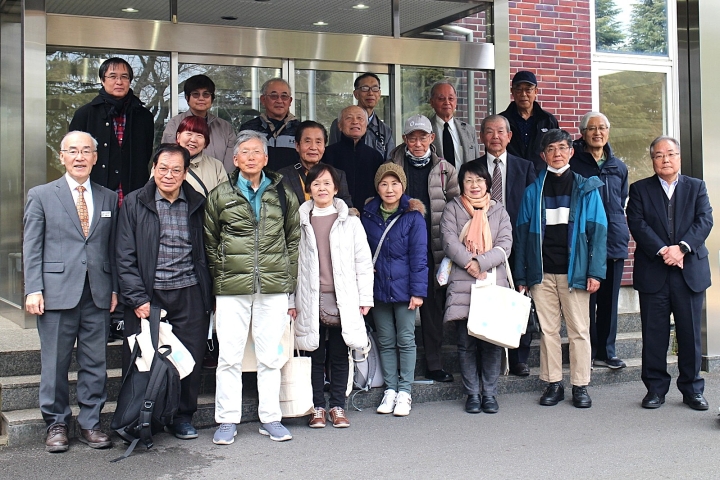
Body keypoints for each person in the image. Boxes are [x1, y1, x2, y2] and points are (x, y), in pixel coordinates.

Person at [23, 131, 118, 452]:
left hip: (97, 293)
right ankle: (56, 424)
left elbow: (112, 247)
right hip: (55, 293)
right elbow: (32, 246)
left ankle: (91, 423)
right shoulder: (41, 195)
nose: (80, 157)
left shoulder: (108, 197)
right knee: (54, 364)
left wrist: (114, 289)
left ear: (95, 157)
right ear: (61, 156)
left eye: (86, 151)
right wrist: (33, 288)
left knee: (95, 362)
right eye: (73, 151)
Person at [204, 130, 300, 444]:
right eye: (244, 152)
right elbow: (210, 242)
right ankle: (227, 420)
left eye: (256, 151)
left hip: (273, 286)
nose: (250, 157)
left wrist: (288, 281)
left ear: (266, 157)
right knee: (229, 356)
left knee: (270, 356)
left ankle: (270, 418)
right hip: (232, 287)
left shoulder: (283, 193)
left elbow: (293, 239)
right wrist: (221, 277)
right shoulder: (220, 194)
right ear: (235, 159)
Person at [116, 143, 213, 440]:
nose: (168, 175)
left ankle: (182, 416)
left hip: (190, 292)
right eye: (163, 169)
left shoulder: (198, 203)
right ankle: (146, 418)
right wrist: (137, 298)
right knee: (144, 359)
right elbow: (124, 254)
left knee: (189, 360)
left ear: (185, 173)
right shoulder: (134, 202)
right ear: (153, 169)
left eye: (176, 170)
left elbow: (209, 251)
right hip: (150, 294)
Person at [514, 129, 607, 408]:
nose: (557, 153)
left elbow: (599, 232)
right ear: (543, 155)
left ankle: (580, 385)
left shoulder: (586, 188)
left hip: (575, 272)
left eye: (562, 148)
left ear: (571, 152)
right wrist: (522, 274)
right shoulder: (533, 191)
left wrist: (595, 272)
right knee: (548, 331)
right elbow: (521, 236)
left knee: (579, 330)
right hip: (542, 272)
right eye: (551, 149)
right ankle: (553, 383)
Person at [626, 136, 713, 411]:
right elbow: (637, 223)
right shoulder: (639, 189)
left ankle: (692, 390)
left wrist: (682, 248)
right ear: (653, 160)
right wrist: (665, 250)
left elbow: (705, 220)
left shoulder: (696, 187)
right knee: (654, 335)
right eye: (659, 155)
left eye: (671, 154)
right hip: (654, 271)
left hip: (689, 271)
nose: (666, 159)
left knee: (690, 335)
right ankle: (655, 389)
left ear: (679, 157)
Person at [292, 163, 374, 428]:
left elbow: (363, 262)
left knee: (339, 354)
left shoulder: (351, 222)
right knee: (314, 355)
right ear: (309, 189)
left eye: (327, 183)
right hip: (309, 298)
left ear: (336, 188)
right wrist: (291, 300)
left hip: (343, 298)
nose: (322, 188)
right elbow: (290, 265)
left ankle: (337, 406)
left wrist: (365, 298)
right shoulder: (299, 221)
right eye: (316, 183)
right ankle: (317, 407)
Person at [388, 114, 460, 383]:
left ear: (432, 138)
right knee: (398, 307)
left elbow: (456, 207)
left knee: (432, 309)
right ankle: (397, 365)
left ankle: (434, 363)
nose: (418, 143)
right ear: (404, 139)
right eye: (412, 138)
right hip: (398, 249)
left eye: (423, 138)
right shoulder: (391, 166)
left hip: (433, 248)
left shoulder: (445, 170)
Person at [465, 114, 536, 377]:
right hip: (481, 245)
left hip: (516, 242)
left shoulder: (525, 167)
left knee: (519, 296)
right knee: (483, 299)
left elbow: (531, 208)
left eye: (500, 132)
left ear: (509, 136)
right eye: (489, 132)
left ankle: (519, 356)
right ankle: (484, 353)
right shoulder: (471, 168)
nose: (495, 137)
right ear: (481, 136)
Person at [441, 162, 512, 414]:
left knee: (491, 343)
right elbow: (448, 241)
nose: (474, 185)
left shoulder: (499, 211)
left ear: (487, 183)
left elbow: (505, 244)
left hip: (491, 281)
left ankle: (489, 393)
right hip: (463, 284)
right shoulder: (453, 208)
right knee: (466, 343)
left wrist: (481, 262)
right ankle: (472, 393)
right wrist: (470, 264)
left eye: (479, 180)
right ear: (461, 184)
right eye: (469, 180)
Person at [361, 163, 428, 417]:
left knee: (406, 339)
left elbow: (419, 257)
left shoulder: (413, 216)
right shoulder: (367, 216)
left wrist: (418, 292)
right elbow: (361, 252)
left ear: (403, 186)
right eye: (384, 184)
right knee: (386, 340)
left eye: (395, 183)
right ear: (377, 187)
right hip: (377, 288)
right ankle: (390, 389)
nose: (390, 189)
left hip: (405, 289)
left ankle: (405, 391)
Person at [570, 112, 629, 370]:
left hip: (613, 239)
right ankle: (588, 351)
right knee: (585, 300)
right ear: (582, 133)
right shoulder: (574, 164)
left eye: (602, 128)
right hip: (584, 240)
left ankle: (607, 351)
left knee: (609, 301)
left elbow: (621, 200)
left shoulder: (619, 167)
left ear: (608, 131)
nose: (597, 133)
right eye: (592, 128)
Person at [69, 57, 154, 202]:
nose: (119, 82)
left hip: (134, 194)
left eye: (124, 77)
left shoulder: (143, 116)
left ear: (130, 81)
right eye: (113, 76)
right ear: (102, 80)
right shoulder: (85, 114)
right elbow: (73, 155)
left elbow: (145, 155)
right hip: (94, 193)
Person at [162, 74, 237, 172]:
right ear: (187, 98)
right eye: (195, 94)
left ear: (212, 98)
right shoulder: (175, 124)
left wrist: (220, 178)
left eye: (206, 94)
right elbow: (168, 157)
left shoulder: (225, 127)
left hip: (219, 179)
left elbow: (230, 163)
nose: (201, 98)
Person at [278, 120, 353, 207]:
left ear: (324, 147)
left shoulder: (338, 175)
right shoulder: (283, 176)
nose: (313, 147)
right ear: (297, 146)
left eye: (318, 142)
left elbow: (347, 208)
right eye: (307, 141)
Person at [323, 105, 384, 211]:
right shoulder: (328, 154)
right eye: (349, 118)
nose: (355, 122)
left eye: (360, 118)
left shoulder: (376, 156)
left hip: (369, 215)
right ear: (340, 125)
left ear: (366, 125)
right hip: (335, 213)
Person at [499, 70, 559, 172]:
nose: (523, 94)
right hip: (510, 174)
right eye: (519, 89)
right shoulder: (502, 120)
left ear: (536, 91)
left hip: (540, 176)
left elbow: (557, 150)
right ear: (512, 92)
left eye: (528, 89)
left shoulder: (548, 120)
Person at [329, 72, 395, 159]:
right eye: (365, 88)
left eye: (375, 88)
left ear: (379, 94)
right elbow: (332, 154)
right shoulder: (341, 123)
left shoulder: (385, 130)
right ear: (356, 94)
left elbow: (389, 161)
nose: (370, 93)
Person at [239, 78, 299, 171]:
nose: (279, 101)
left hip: (293, 180)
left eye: (284, 96)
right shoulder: (249, 130)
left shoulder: (300, 130)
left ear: (290, 101)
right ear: (263, 100)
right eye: (274, 96)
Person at [170, 115, 228, 196]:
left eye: (199, 136)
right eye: (189, 133)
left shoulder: (216, 166)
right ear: (178, 136)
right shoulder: (164, 162)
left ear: (205, 142)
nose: (193, 140)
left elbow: (225, 197)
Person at [428, 80, 479, 168]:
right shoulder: (426, 130)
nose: (447, 102)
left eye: (451, 99)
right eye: (441, 99)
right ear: (432, 102)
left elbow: (477, 165)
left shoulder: (469, 131)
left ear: (456, 102)